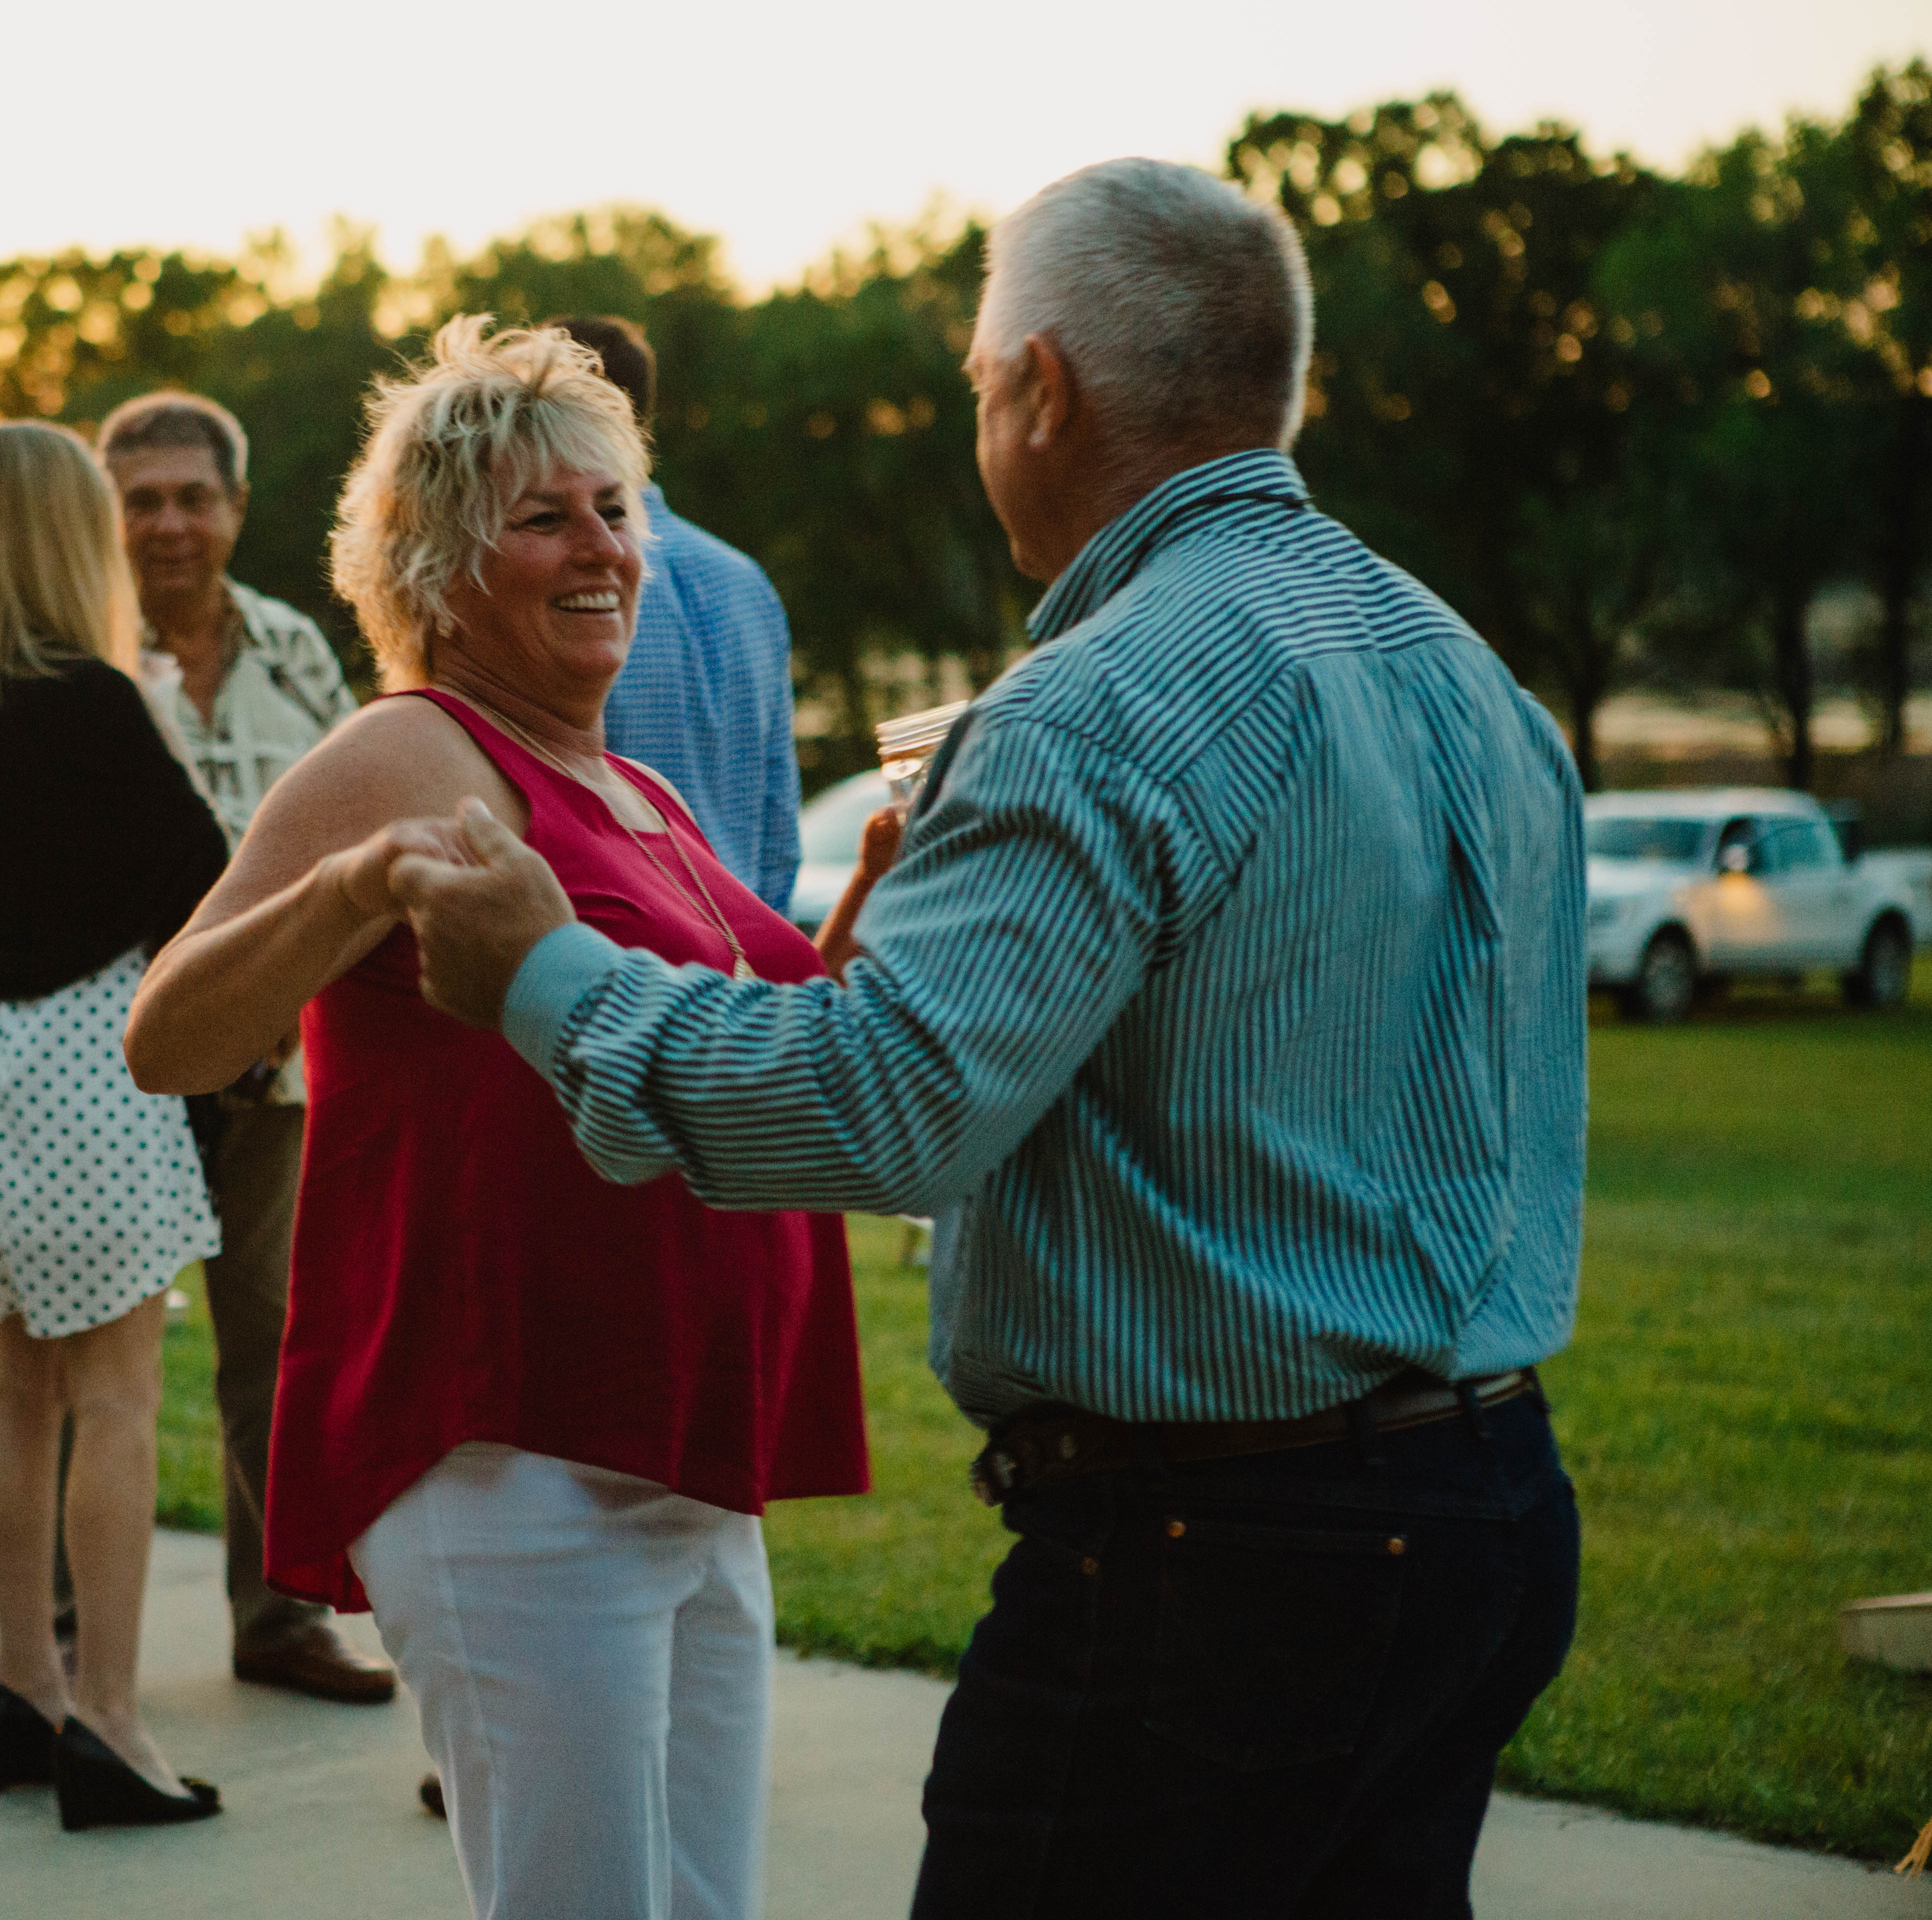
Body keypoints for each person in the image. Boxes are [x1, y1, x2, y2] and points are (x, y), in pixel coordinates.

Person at [380, 160, 1588, 1919]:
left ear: (1041, 387)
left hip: (1212, 1571)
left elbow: (882, 1111)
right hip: (1484, 1505)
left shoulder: (1098, 702)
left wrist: (543, 977)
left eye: (972, 386)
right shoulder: (1461, 667)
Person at [123, 320, 870, 1918]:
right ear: (441, 563)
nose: (604, 547)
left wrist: (886, 898)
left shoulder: (639, 792)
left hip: (682, 1441)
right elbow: (173, 1035)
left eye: (614, 510)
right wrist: (349, 886)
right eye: (547, 518)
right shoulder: (409, 745)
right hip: (515, 1452)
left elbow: (772, 1034)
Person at [0, 421, 229, 1830]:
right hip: (100, 1058)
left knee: (22, 1383)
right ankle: (109, 1713)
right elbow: (204, 878)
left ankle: (21, 1680)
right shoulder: (91, 699)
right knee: (119, 1393)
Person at [94, 390, 392, 1707]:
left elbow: (351, 819)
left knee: (274, 1337)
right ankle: (64, 1634)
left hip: (276, 1061)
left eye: (191, 496)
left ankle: (277, 1616)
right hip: (106, 1063)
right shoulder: (78, 653)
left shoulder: (291, 651)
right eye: (143, 498)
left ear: (234, 506)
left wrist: (295, 986)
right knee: (95, 1344)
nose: (169, 523)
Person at [546, 313, 803, 914]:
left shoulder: (565, 587)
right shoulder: (746, 583)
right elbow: (778, 822)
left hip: (617, 961)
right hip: (748, 953)